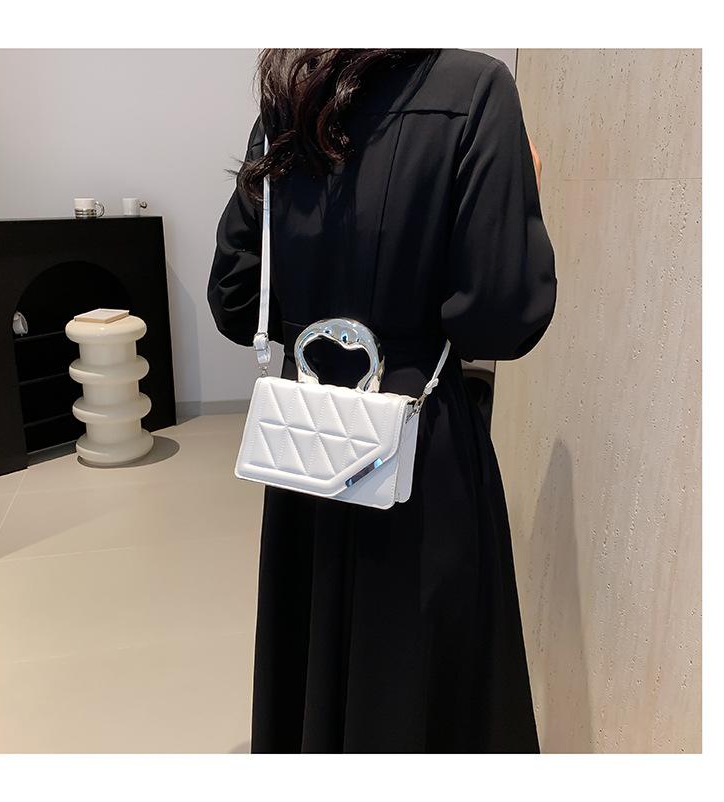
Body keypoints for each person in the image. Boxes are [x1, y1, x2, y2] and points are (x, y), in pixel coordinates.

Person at [208, 48, 556, 753]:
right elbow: (501, 316)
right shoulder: (477, 90)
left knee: (312, 653)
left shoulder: (290, 101)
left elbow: (237, 299)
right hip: (422, 442)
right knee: (421, 680)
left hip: (309, 442)